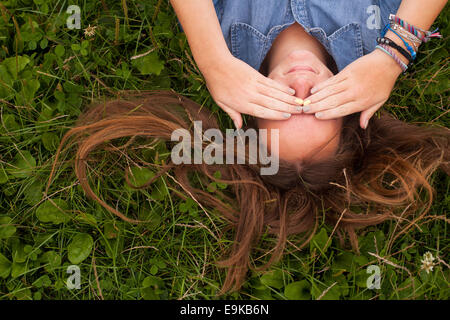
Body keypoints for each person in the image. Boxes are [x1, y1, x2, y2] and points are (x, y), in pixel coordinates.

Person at [45, 1, 449, 294]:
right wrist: (394, 54)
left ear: (251, 117)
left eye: (287, 106)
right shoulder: (377, 35)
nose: (302, 86)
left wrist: (212, 60)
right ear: (351, 114)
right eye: (319, 107)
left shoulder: (224, 37)